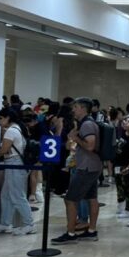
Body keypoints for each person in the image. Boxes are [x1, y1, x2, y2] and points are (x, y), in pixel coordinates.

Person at [52, 98, 101, 245]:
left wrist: (75, 138)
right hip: (91, 166)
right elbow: (71, 145)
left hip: (86, 167)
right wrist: (72, 139)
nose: (73, 110)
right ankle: (91, 231)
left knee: (70, 200)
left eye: (75, 107)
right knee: (92, 198)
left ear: (83, 108)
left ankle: (71, 233)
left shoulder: (87, 124)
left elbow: (90, 146)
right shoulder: (84, 124)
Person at [0, 108, 36, 236]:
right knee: (6, 195)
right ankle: (5, 223)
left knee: (17, 195)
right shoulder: (18, 128)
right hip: (15, 163)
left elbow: (4, 150)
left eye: (0, 118)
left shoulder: (11, 131)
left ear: (8, 118)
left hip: (15, 164)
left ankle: (28, 224)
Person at [114, 115, 129, 218]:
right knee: (119, 186)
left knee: (128, 187)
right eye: (125, 121)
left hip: (128, 165)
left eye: (128, 122)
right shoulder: (122, 133)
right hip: (118, 164)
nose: (125, 123)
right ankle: (120, 206)